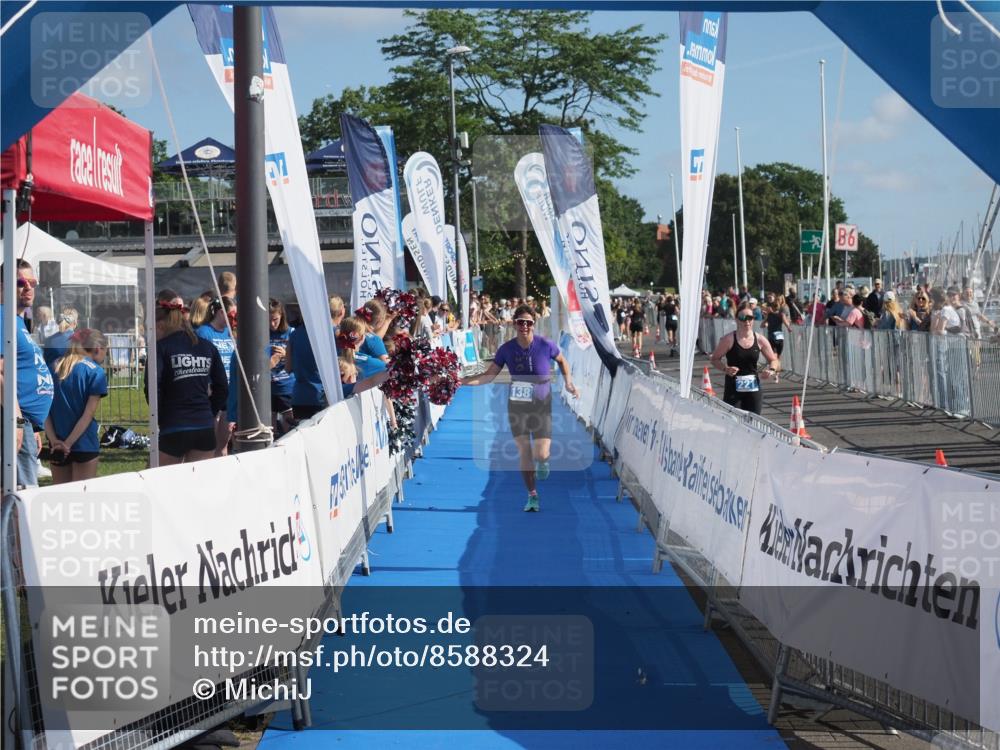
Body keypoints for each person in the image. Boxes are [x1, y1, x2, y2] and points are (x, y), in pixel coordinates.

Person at [459, 305, 579, 513]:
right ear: (514, 324)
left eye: (528, 322)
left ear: (534, 324)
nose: (524, 326)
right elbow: (488, 376)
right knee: (524, 451)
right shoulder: (506, 349)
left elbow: (562, 360)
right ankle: (532, 495)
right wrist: (460, 382)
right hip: (518, 405)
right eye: (520, 322)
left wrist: (568, 382)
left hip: (541, 405)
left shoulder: (545, 344)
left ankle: (543, 462)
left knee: (541, 454)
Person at [148, 290, 228, 466]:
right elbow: (222, 387)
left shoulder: (160, 348)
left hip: (174, 425)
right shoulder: (207, 347)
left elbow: (153, 388)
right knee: (197, 486)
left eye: (152, 328)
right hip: (204, 426)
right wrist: (210, 412)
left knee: (162, 483)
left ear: (161, 325)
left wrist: (161, 417)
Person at [1, 260, 55, 488]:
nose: (28, 287)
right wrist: (18, 421)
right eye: (21, 282)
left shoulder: (18, 321)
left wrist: (32, 426)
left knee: (16, 498)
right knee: (21, 500)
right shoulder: (3, 316)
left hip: (23, 424)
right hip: (12, 422)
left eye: (32, 282)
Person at [45, 328, 108, 483]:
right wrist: (68, 444)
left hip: (56, 443)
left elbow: (44, 409)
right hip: (84, 443)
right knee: (82, 500)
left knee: (60, 499)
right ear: (98, 349)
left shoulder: (52, 367)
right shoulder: (95, 372)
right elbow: (88, 414)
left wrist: (55, 441)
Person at [709, 302, 781, 415]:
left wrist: (771, 370)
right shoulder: (728, 339)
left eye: (750, 318)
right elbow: (714, 359)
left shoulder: (760, 339)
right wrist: (725, 369)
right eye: (743, 318)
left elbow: (774, 360)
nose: (746, 321)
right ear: (737, 320)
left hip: (753, 389)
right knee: (733, 422)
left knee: (754, 424)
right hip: (733, 389)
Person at [287, 296, 345, 420]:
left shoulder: (294, 334)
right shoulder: (336, 335)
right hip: (325, 398)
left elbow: (288, 368)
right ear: (342, 311)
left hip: (300, 398)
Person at [195, 297, 236, 457]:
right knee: (209, 443)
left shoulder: (229, 333)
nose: (234, 319)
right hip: (212, 391)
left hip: (229, 390)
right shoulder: (203, 333)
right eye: (232, 314)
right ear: (221, 312)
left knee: (224, 441)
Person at [268, 298, 295, 433]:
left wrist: (286, 354)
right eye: (268, 320)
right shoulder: (262, 333)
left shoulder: (291, 332)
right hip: (268, 388)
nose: (272, 324)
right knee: (270, 426)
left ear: (282, 316)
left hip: (286, 386)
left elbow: (299, 359)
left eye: (275, 320)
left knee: (288, 426)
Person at [43, 307, 79, 372]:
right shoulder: (79, 341)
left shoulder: (49, 340)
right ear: (75, 323)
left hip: (52, 377)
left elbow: (45, 363)